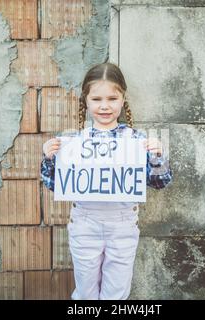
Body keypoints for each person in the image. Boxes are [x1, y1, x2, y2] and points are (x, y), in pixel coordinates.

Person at [41, 62, 172, 300]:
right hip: (84, 224)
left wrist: (158, 157)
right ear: (86, 101)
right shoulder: (73, 141)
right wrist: (49, 158)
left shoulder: (137, 141)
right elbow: (53, 184)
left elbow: (160, 183)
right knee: (85, 292)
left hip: (123, 225)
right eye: (97, 99)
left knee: (116, 293)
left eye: (112, 98)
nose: (104, 106)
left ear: (123, 99)